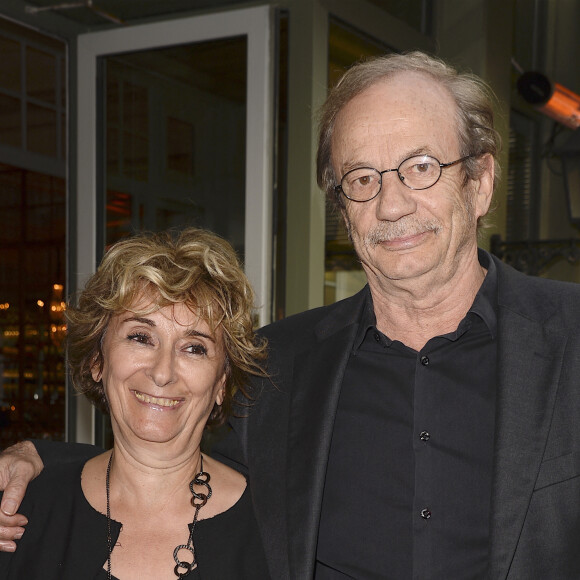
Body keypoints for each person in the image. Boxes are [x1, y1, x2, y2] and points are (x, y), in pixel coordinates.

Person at [1, 50, 580, 579]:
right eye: (361, 179)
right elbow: (163, 446)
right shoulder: (280, 365)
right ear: (342, 209)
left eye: (421, 166)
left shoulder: (571, 339)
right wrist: (38, 464)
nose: (392, 203)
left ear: (479, 183)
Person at [0, 228, 271, 579]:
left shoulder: (275, 529)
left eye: (194, 347)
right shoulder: (22, 514)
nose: (162, 373)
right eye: (141, 338)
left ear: (221, 383)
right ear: (97, 361)